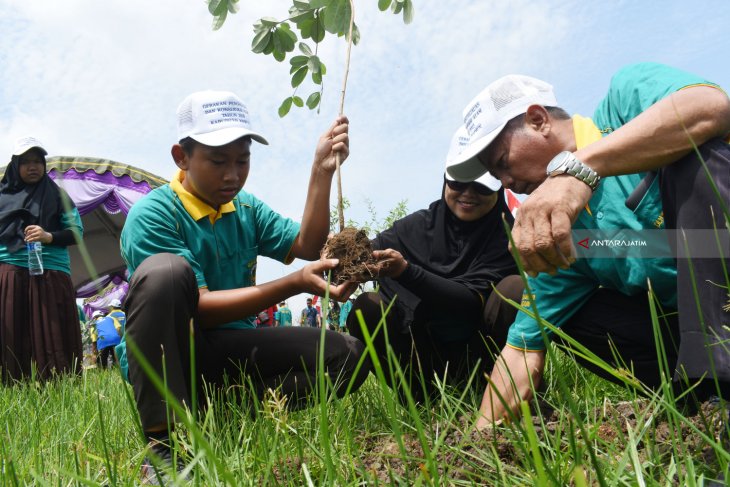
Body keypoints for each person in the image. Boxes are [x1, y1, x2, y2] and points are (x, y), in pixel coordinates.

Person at [444, 64, 730, 427]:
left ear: (537, 120)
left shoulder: (625, 101)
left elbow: (710, 107)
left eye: (504, 163)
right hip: (695, 341)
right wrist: (476, 445)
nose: (508, 183)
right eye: (498, 176)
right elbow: (519, 353)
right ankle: (702, 404)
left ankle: (718, 390)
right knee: (567, 316)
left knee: (695, 155)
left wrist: (580, 167)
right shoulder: (566, 236)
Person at [116, 90, 369, 478]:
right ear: (181, 157)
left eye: (242, 160)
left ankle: (225, 415)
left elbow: (306, 243)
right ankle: (166, 444)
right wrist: (294, 284)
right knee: (165, 273)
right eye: (218, 161)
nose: (232, 174)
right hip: (181, 352)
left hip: (234, 348)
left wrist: (321, 169)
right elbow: (200, 307)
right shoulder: (154, 214)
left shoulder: (246, 208)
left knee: (348, 356)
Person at [348, 128, 522, 404]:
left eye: (481, 186)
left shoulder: (507, 235)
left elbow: (467, 302)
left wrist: (406, 272)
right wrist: (346, 256)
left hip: (483, 359)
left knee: (514, 290)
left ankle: (509, 392)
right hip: (422, 360)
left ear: (499, 186)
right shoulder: (415, 227)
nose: (468, 193)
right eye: (458, 182)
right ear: (445, 179)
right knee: (366, 308)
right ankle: (420, 400)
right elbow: (366, 253)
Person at [0, 137, 84, 381]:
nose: (33, 166)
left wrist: (48, 236)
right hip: (9, 271)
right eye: (25, 162)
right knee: (11, 332)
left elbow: (76, 234)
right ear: (15, 165)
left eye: (37, 161)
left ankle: (60, 385)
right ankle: (11, 385)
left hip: (51, 271)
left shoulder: (59, 197)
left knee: (52, 332)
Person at [93, 299, 125, 368]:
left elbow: (94, 339)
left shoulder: (109, 316)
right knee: (117, 357)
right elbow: (118, 328)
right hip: (120, 338)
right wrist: (119, 337)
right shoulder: (124, 314)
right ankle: (119, 370)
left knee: (103, 359)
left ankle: (104, 371)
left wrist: (94, 350)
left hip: (103, 341)